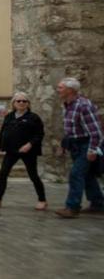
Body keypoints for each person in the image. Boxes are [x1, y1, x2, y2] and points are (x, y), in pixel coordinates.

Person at [0, 92, 47, 210]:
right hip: (11, 150)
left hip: (28, 151)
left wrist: (29, 144)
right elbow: (3, 131)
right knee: (3, 173)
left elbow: (39, 134)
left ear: (28, 104)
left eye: (24, 101)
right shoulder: (9, 116)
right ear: (13, 103)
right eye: (18, 101)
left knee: (33, 175)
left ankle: (42, 200)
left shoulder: (33, 118)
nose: (21, 103)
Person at [55, 77, 103, 218]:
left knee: (76, 174)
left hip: (86, 144)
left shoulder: (83, 106)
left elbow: (96, 132)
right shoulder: (68, 105)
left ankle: (72, 207)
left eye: (60, 87)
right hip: (75, 144)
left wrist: (92, 150)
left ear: (70, 90)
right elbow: (70, 129)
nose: (58, 90)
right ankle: (98, 204)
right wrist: (64, 145)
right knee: (87, 175)